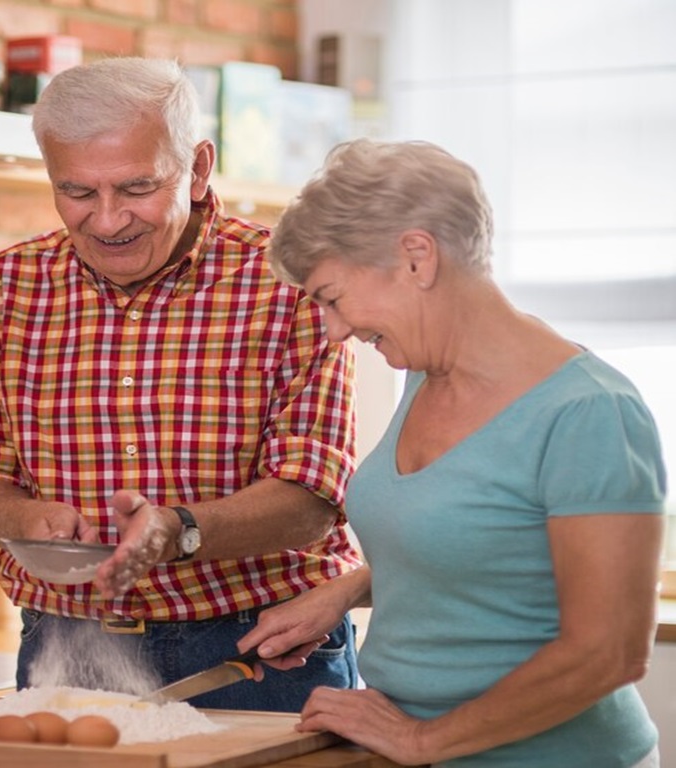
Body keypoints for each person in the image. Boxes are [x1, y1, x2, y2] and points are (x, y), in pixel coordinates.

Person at [0, 57, 362, 713]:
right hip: (67, 644)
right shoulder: (8, 288)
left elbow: (312, 499)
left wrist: (177, 532)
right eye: (77, 192)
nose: (108, 221)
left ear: (198, 168)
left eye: (137, 188)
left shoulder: (287, 281)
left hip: (263, 650)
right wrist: (29, 521)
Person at [238, 138, 666, 767]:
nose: (334, 329)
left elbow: (610, 648)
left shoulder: (589, 412)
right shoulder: (423, 375)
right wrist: (346, 591)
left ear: (416, 257)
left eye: (333, 297)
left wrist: (422, 740)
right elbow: (487, 542)